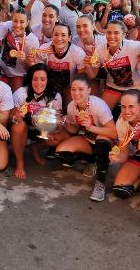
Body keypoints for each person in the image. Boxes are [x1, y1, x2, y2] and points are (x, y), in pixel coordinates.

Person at [55, 74, 117, 202]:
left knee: (101, 142)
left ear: (89, 90)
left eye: (81, 89)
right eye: (73, 89)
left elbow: (114, 133)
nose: (76, 93)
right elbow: (75, 130)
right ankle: (93, 161)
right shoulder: (72, 106)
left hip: (106, 139)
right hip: (87, 139)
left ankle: (101, 183)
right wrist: (65, 123)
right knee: (62, 153)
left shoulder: (98, 105)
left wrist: (91, 128)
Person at [10, 63, 63, 179]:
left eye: (43, 79)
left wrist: (50, 132)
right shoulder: (21, 93)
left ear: (48, 80)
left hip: (42, 129)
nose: (39, 83)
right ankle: (20, 161)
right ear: (30, 79)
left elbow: (56, 120)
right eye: (35, 79)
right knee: (18, 126)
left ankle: (36, 148)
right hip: (25, 127)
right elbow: (11, 115)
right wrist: (16, 116)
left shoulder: (55, 96)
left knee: (59, 137)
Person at [30, 23, 86, 103]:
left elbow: (81, 78)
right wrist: (31, 61)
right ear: (52, 36)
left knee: (72, 101)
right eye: (56, 35)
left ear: (69, 38)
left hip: (69, 87)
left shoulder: (78, 53)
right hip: (49, 85)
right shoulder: (43, 49)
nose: (59, 38)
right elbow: (39, 73)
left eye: (63, 35)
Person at [96, 20, 140, 110]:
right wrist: (89, 65)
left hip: (135, 88)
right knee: (100, 113)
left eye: (116, 33)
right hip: (113, 87)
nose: (112, 36)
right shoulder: (99, 49)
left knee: (130, 115)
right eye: (109, 32)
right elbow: (92, 74)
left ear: (123, 35)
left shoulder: (135, 47)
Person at [0, 8, 40, 92]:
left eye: (22, 22)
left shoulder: (32, 41)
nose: (17, 25)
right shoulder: (8, 27)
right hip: (1, 71)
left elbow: (34, 68)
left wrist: (25, 59)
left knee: (15, 97)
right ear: (12, 20)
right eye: (15, 21)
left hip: (19, 75)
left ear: (27, 23)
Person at [72, 15, 105, 94]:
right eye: (78, 27)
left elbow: (94, 74)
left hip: (103, 76)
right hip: (85, 74)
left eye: (85, 26)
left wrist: (95, 60)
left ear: (93, 26)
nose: (81, 30)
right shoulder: (75, 41)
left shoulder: (102, 42)